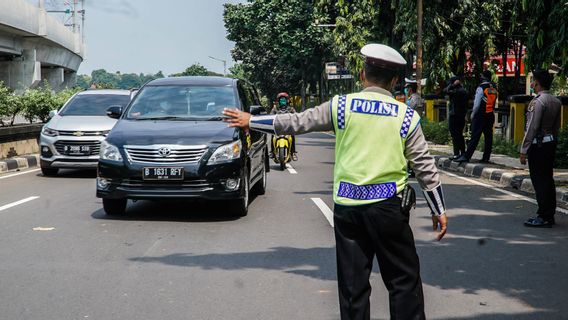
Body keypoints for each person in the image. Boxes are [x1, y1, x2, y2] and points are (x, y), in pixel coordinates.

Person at [224, 43, 448, 320]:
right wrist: (438, 209)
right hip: (389, 209)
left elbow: (297, 122)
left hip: (348, 209)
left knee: (353, 288)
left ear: (362, 75)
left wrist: (252, 120)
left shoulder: (341, 106)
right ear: (393, 81)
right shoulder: (406, 117)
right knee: (404, 282)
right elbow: (425, 167)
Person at [521, 70, 561, 228]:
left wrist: (524, 149)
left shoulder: (537, 102)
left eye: (533, 82)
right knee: (548, 179)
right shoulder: (556, 101)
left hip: (538, 145)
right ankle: (549, 214)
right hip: (550, 143)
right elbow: (556, 127)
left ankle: (543, 215)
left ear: (537, 83)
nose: (531, 84)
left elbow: (532, 127)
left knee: (539, 181)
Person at [455, 70, 497, 163]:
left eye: (481, 76)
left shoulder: (481, 88)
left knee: (475, 136)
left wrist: (473, 115)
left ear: (483, 77)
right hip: (490, 114)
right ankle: (486, 157)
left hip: (480, 115)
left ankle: (466, 156)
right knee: (488, 137)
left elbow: (477, 104)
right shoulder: (494, 88)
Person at [444, 76, 469, 160]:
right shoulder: (464, 91)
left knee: (455, 134)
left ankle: (456, 154)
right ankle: (462, 153)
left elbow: (445, 91)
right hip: (461, 115)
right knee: (459, 134)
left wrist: (452, 85)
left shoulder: (456, 92)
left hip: (455, 115)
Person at [270, 92, 298, 161]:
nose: (283, 101)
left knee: (292, 135)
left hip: (288, 128)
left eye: (284, 99)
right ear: (278, 101)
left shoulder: (291, 109)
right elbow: (270, 116)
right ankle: (272, 152)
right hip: (278, 128)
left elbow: (296, 116)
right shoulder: (275, 109)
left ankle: (293, 152)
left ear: (287, 100)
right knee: (272, 135)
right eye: (281, 99)